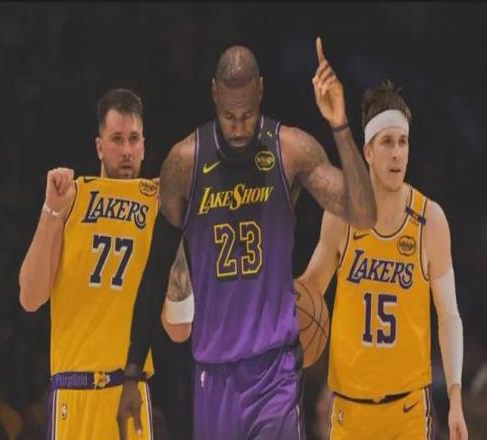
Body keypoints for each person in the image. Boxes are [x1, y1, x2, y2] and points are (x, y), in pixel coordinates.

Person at [117, 38, 377, 440]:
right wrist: (133, 370)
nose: (238, 127)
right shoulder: (184, 163)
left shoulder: (290, 150)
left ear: (261, 91)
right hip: (214, 373)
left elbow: (363, 214)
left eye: (247, 115)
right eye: (228, 116)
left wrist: (339, 125)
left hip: (275, 371)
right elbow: (155, 269)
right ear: (214, 94)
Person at [18, 88, 193, 439]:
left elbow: (180, 328)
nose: (126, 150)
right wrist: (51, 211)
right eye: (117, 139)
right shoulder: (71, 197)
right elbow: (30, 297)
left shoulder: (157, 206)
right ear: (99, 146)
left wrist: (175, 227)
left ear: (144, 146)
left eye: (133, 139)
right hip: (74, 392)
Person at [298, 80, 468, 439]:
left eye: (403, 142)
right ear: (368, 152)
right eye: (387, 142)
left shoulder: (430, 220)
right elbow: (311, 287)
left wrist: (455, 397)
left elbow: (449, 315)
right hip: (349, 410)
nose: (397, 153)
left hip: (407, 412)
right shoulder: (341, 216)